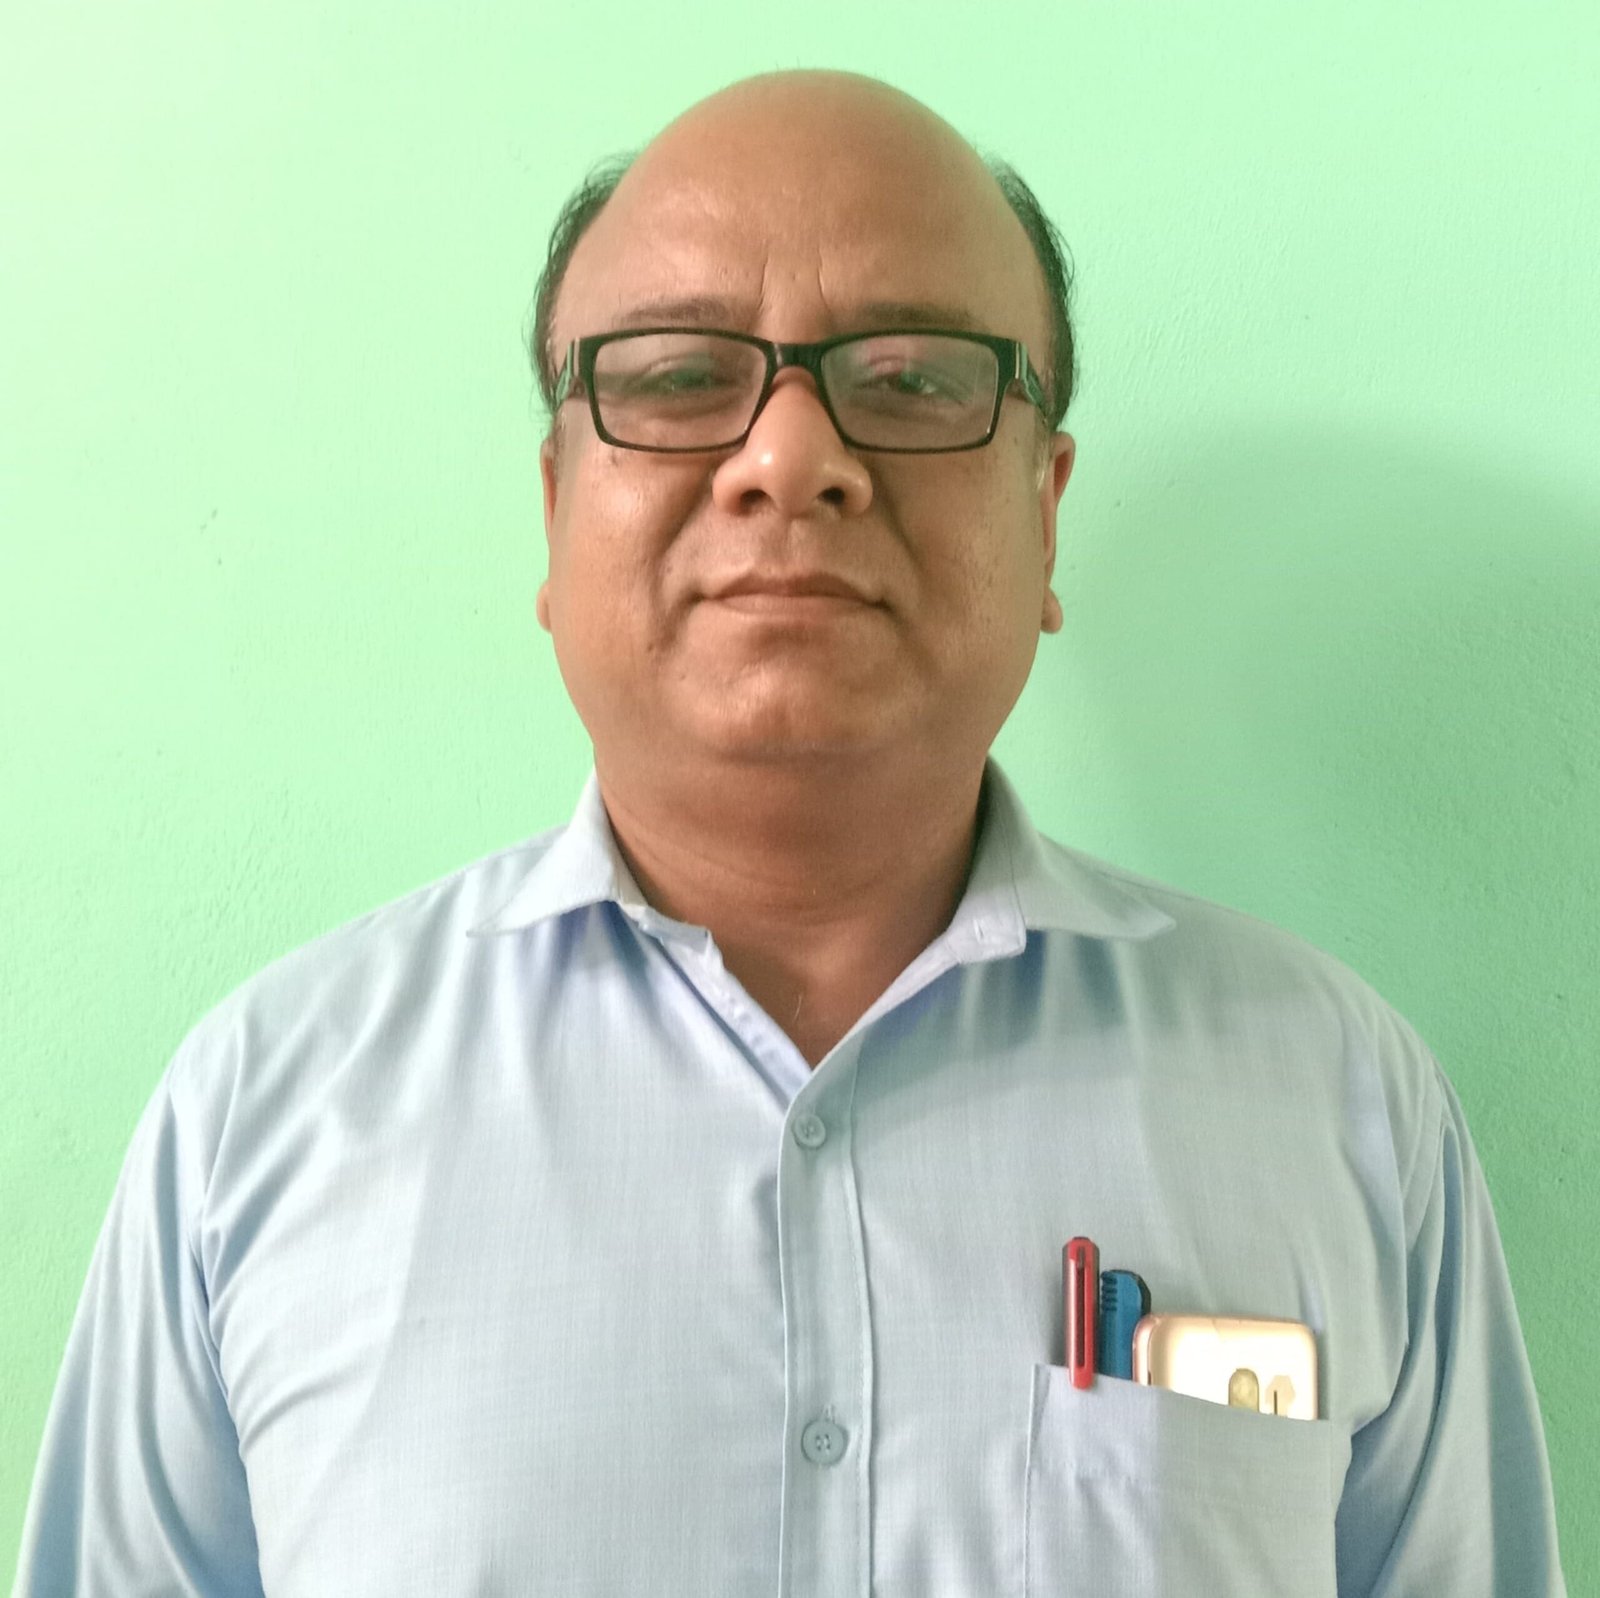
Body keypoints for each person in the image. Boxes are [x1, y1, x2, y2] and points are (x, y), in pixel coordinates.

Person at [12, 68, 1566, 1598]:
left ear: (1045, 511)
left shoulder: (1334, 1096)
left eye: (916, 380)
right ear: (555, 507)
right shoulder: (268, 1113)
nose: (790, 457)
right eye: (680, 376)